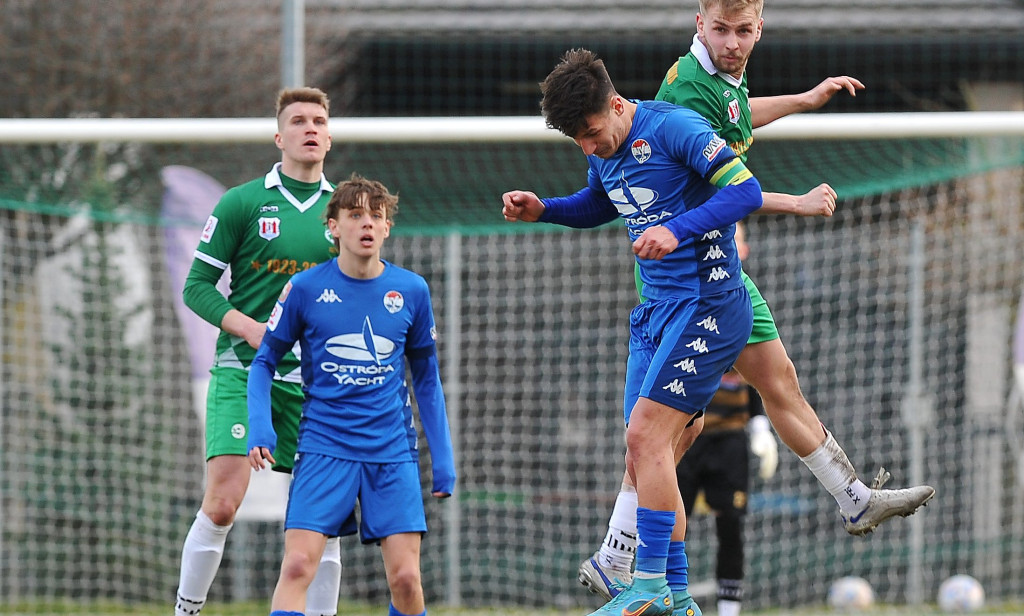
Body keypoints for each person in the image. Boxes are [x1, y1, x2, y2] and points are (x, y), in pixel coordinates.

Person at [577, 0, 935, 604]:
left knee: (777, 382)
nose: (733, 42)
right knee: (664, 434)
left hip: (721, 272)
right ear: (700, 25)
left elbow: (738, 118)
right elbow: (723, 189)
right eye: (721, 30)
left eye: (744, 31)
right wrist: (795, 202)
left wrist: (804, 99)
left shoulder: (722, 81)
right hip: (686, 283)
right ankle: (624, 557)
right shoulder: (685, 94)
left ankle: (852, 497)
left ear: (760, 29)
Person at [503, 47, 766, 616]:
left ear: (617, 104)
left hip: (708, 302)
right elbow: (601, 204)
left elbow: (746, 192)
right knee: (648, 451)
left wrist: (676, 231)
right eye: (577, 140)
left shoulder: (674, 128)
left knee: (647, 438)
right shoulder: (603, 152)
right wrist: (545, 209)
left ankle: (645, 583)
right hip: (655, 312)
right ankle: (677, 595)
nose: (588, 147)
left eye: (592, 133)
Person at [247, 174, 456, 616]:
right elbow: (264, 362)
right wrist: (260, 428)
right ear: (334, 226)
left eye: (376, 216)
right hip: (324, 447)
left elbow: (426, 379)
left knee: (406, 579)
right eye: (355, 214)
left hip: (390, 451)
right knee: (297, 565)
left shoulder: (412, 290)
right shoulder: (304, 289)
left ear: (387, 228)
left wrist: (443, 459)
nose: (366, 223)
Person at [175, 87, 347, 616]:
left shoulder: (346, 212)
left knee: (323, 522)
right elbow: (196, 287)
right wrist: (250, 329)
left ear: (329, 138)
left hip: (317, 384)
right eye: (298, 121)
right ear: (279, 137)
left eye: (319, 121)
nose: (310, 128)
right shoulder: (243, 203)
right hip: (244, 370)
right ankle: (186, 610)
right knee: (223, 503)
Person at [673, 222, 777, 616]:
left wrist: (759, 426)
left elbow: (759, 372)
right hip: (685, 435)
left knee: (730, 525)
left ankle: (728, 611)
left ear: (743, 250)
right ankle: (665, 599)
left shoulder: (749, 304)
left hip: (729, 440)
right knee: (669, 523)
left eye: (736, 239)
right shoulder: (686, 292)